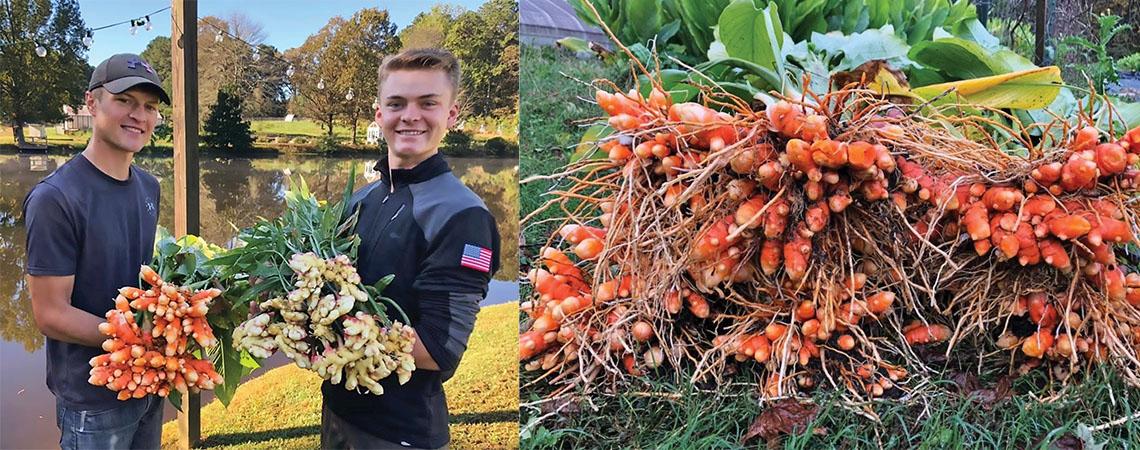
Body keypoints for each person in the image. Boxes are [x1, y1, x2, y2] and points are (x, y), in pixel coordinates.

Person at [320, 48, 500, 450]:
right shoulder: (358, 201)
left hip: (401, 432)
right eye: (397, 103)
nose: (410, 116)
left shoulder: (463, 216)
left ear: (451, 115)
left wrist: (324, 328)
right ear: (379, 114)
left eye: (428, 103)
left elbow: (440, 349)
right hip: (337, 412)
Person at [23, 53, 169, 450]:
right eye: (124, 100)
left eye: (150, 106)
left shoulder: (148, 187)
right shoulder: (56, 198)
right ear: (92, 103)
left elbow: (138, 278)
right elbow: (50, 314)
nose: (139, 115)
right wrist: (139, 338)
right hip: (92, 397)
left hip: (150, 380)